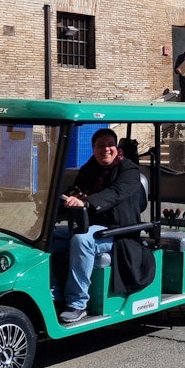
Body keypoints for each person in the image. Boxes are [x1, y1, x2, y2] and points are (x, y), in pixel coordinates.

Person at [53, 128, 145, 323]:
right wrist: (65, 199)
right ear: (93, 148)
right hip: (89, 225)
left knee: (81, 240)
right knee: (48, 238)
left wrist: (86, 202)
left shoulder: (129, 170)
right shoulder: (90, 168)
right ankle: (54, 293)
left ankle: (77, 303)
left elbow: (115, 193)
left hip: (118, 231)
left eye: (110, 145)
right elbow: (77, 190)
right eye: (100, 145)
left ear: (116, 147)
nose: (106, 149)